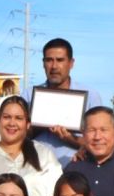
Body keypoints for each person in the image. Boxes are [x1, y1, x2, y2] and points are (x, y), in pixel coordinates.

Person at [20, 38, 104, 166]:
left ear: (71, 63)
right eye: (49, 60)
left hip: (75, 169)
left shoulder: (91, 96)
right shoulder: (28, 95)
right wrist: (37, 125)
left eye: (60, 60)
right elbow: (17, 138)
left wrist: (69, 138)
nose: (54, 66)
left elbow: (98, 143)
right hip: (35, 168)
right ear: (43, 63)